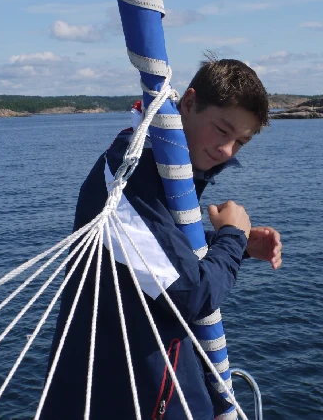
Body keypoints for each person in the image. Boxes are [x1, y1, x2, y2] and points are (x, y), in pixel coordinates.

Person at [41, 57, 282, 420]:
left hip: (161, 392)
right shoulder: (129, 175)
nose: (227, 150)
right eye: (222, 129)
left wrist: (236, 245)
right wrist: (232, 237)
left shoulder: (165, 169)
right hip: (125, 398)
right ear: (189, 103)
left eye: (240, 143)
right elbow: (190, 294)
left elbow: (153, 249)